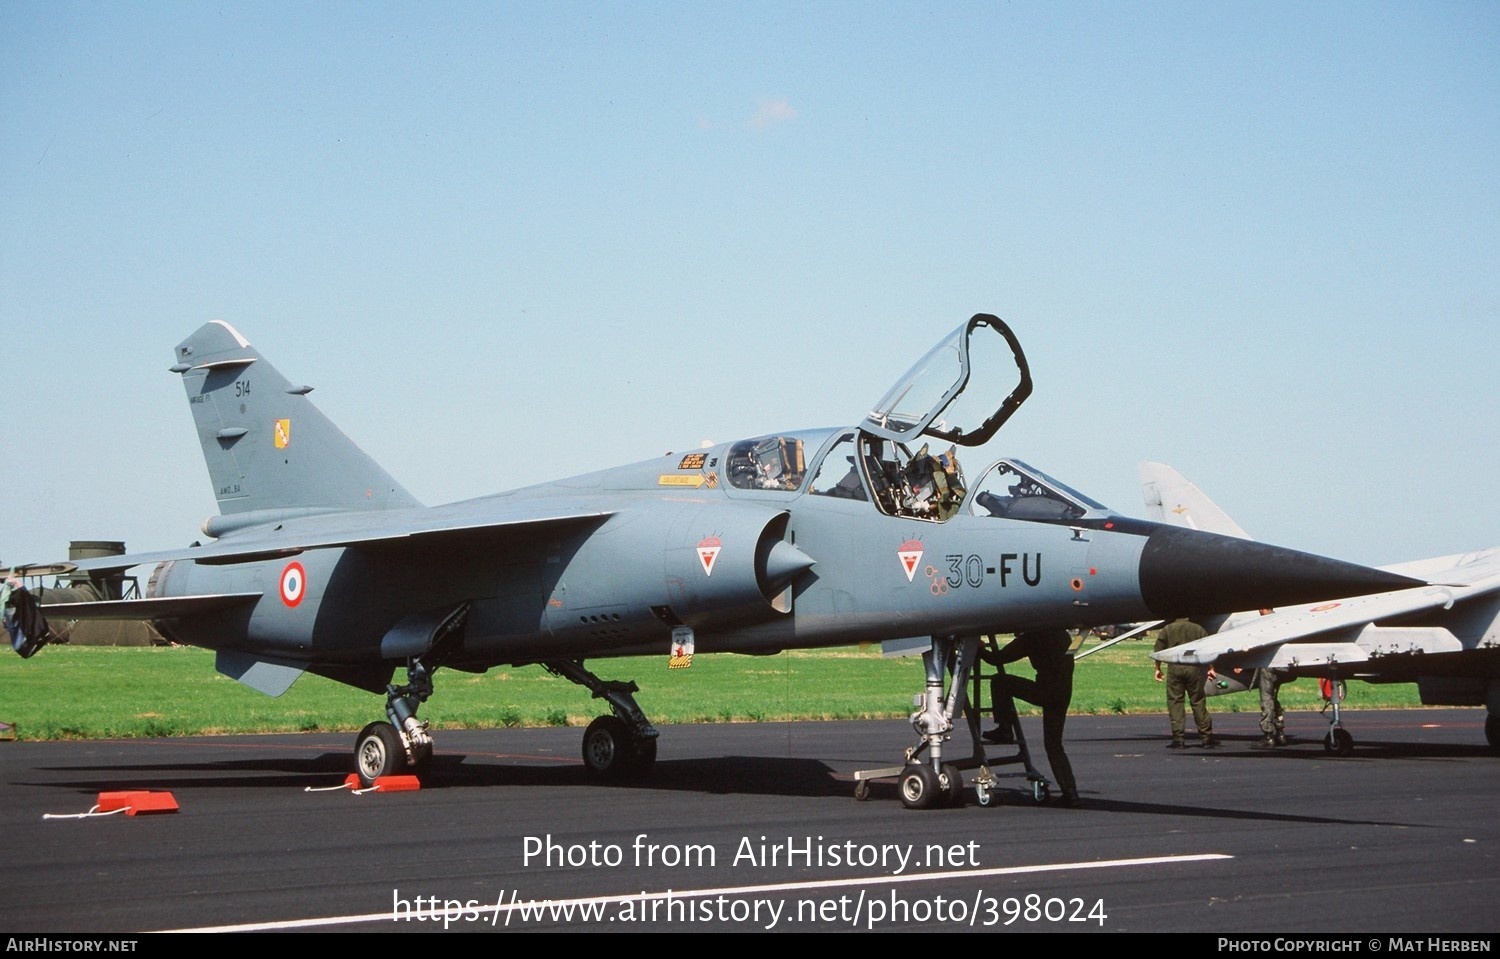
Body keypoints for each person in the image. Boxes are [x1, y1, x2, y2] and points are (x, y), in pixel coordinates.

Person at [983, 629, 1080, 806]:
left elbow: (995, 659)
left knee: (1000, 681)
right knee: (1054, 744)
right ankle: (1070, 792)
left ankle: (1004, 728)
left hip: (1045, 690)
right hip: (1064, 692)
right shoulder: (1063, 635)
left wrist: (978, 648)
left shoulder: (1032, 637)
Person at [1153, 617, 1218, 748]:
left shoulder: (1168, 629)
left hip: (1175, 667)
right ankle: (1206, 737)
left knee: (1175, 702)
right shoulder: (1197, 628)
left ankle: (1178, 738)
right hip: (1194, 668)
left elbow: (1158, 649)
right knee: (1197, 701)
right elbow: (1208, 648)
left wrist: (1158, 668)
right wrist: (1211, 668)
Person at [1251, 667, 1288, 748]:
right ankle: (1280, 733)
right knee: (1273, 698)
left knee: (1267, 699)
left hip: (1271, 667)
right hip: (1286, 668)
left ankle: (1268, 737)